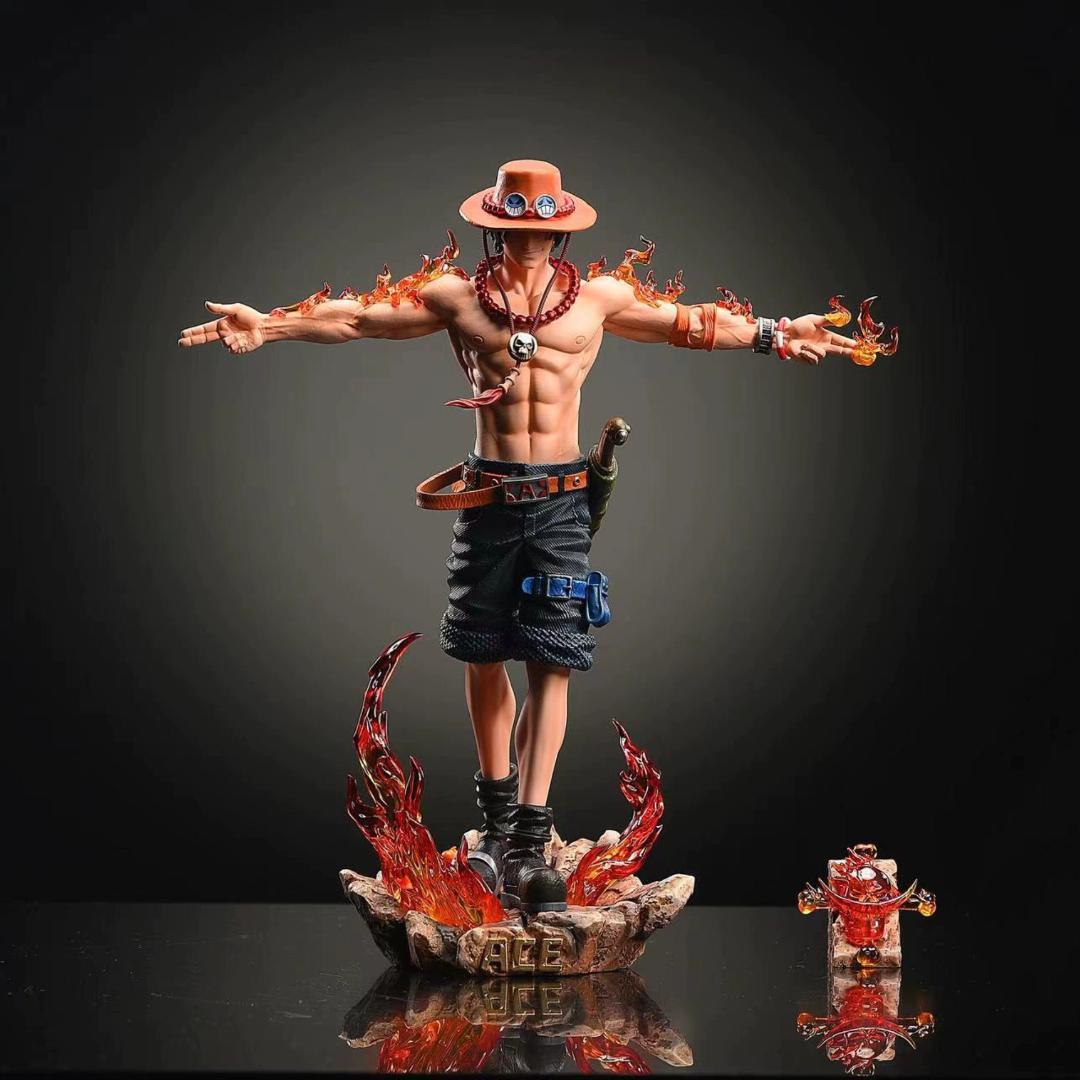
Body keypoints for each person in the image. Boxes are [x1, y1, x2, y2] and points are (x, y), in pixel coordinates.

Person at [178, 160, 860, 913]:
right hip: (489, 499)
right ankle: (498, 822)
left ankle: (530, 842)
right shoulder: (457, 297)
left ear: (561, 229)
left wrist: (773, 333)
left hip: (562, 503)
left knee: (552, 660)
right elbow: (357, 317)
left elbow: (689, 323)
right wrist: (268, 324)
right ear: (491, 226)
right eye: (514, 225)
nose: (528, 239)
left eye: (541, 226)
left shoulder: (597, 299)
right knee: (482, 654)